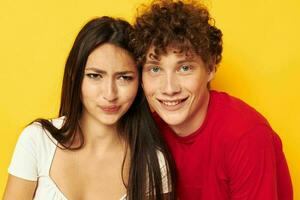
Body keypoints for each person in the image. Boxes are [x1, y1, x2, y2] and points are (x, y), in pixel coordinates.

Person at [131, 0, 293, 199]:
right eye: (155, 69)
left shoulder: (245, 134)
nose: (169, 88)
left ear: (210, 68)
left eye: (185, 68)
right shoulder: (149, 131)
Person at [3, 16, 175, 200]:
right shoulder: (38, 140)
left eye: (124, 78)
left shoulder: (152, 161)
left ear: (140, 82)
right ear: (75, 76)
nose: (110, 94)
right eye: (95, 76)